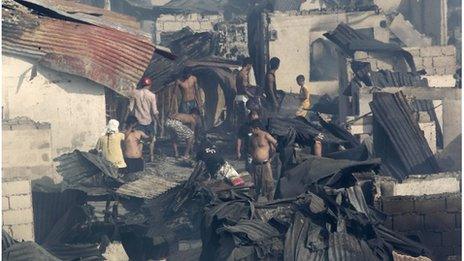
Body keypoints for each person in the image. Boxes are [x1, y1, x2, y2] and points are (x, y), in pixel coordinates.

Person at [126, 77, 159, 162]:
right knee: (152, 139)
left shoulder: (135, 93)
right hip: (148, 121)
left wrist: (128, 120)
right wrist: (158, 122)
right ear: (150, 85)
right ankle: (151, 156)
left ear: (142, 84)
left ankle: (139, 157)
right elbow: (155, 111)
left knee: (140, 140)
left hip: (138, 121)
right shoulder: (152, 95)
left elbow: (130, 108)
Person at [249, 119, 277, 201]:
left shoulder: (266, 135)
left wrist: (271, 157)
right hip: (255, 164)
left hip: (265, 164)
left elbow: (275, 144)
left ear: (257, 128)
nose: (251, 131)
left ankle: (270, 203)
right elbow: (250, 148)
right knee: (254, 185)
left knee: (269, 185)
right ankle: (254, 202)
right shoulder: (252, 137)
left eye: (252, 129)